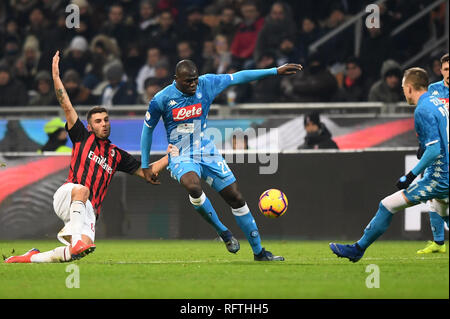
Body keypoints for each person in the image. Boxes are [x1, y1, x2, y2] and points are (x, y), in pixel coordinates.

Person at [4, 51, 170, 263]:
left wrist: (170, 156)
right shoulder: (81, 136)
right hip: (68, 195)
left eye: (106, 120)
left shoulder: (116, 155)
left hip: (89, 210)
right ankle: (74, 235)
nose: (104, 124)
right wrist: (56, 78)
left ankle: (29, 258)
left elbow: (148, 173)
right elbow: (66, 105)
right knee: (83, 190)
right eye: (98, 121)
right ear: (90, 126)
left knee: (76, 254)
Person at [140, 59, 302, 261]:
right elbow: (147, 130)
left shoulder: (207, 83)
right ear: (176, 80)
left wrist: (275, 71)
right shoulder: (161, 99)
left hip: (206, 150)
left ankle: (259, 253)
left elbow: (240, 76)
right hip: (180, 154)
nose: (193, 84)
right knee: (193, 186)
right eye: (188, 81)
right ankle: (224, 232)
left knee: (236, 197)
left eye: (195, 80)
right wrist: (145, 165)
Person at [329, 67, 449, 262]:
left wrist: (410, 175)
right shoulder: (437, 103)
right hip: (443, 173)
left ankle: (357, 249)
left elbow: (434, 150)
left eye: (403, 88)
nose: (403, 92)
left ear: (410, 88)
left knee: (387, 205)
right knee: (443, 211)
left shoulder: (423, 109)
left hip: (438, 178)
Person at [416, 53, 449, 254]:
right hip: (440, 149)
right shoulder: (433, 90)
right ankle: (438, 242)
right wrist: (422, 143)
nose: (449, 73)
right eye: (446, 69)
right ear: (441, 70)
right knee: (434, 192)